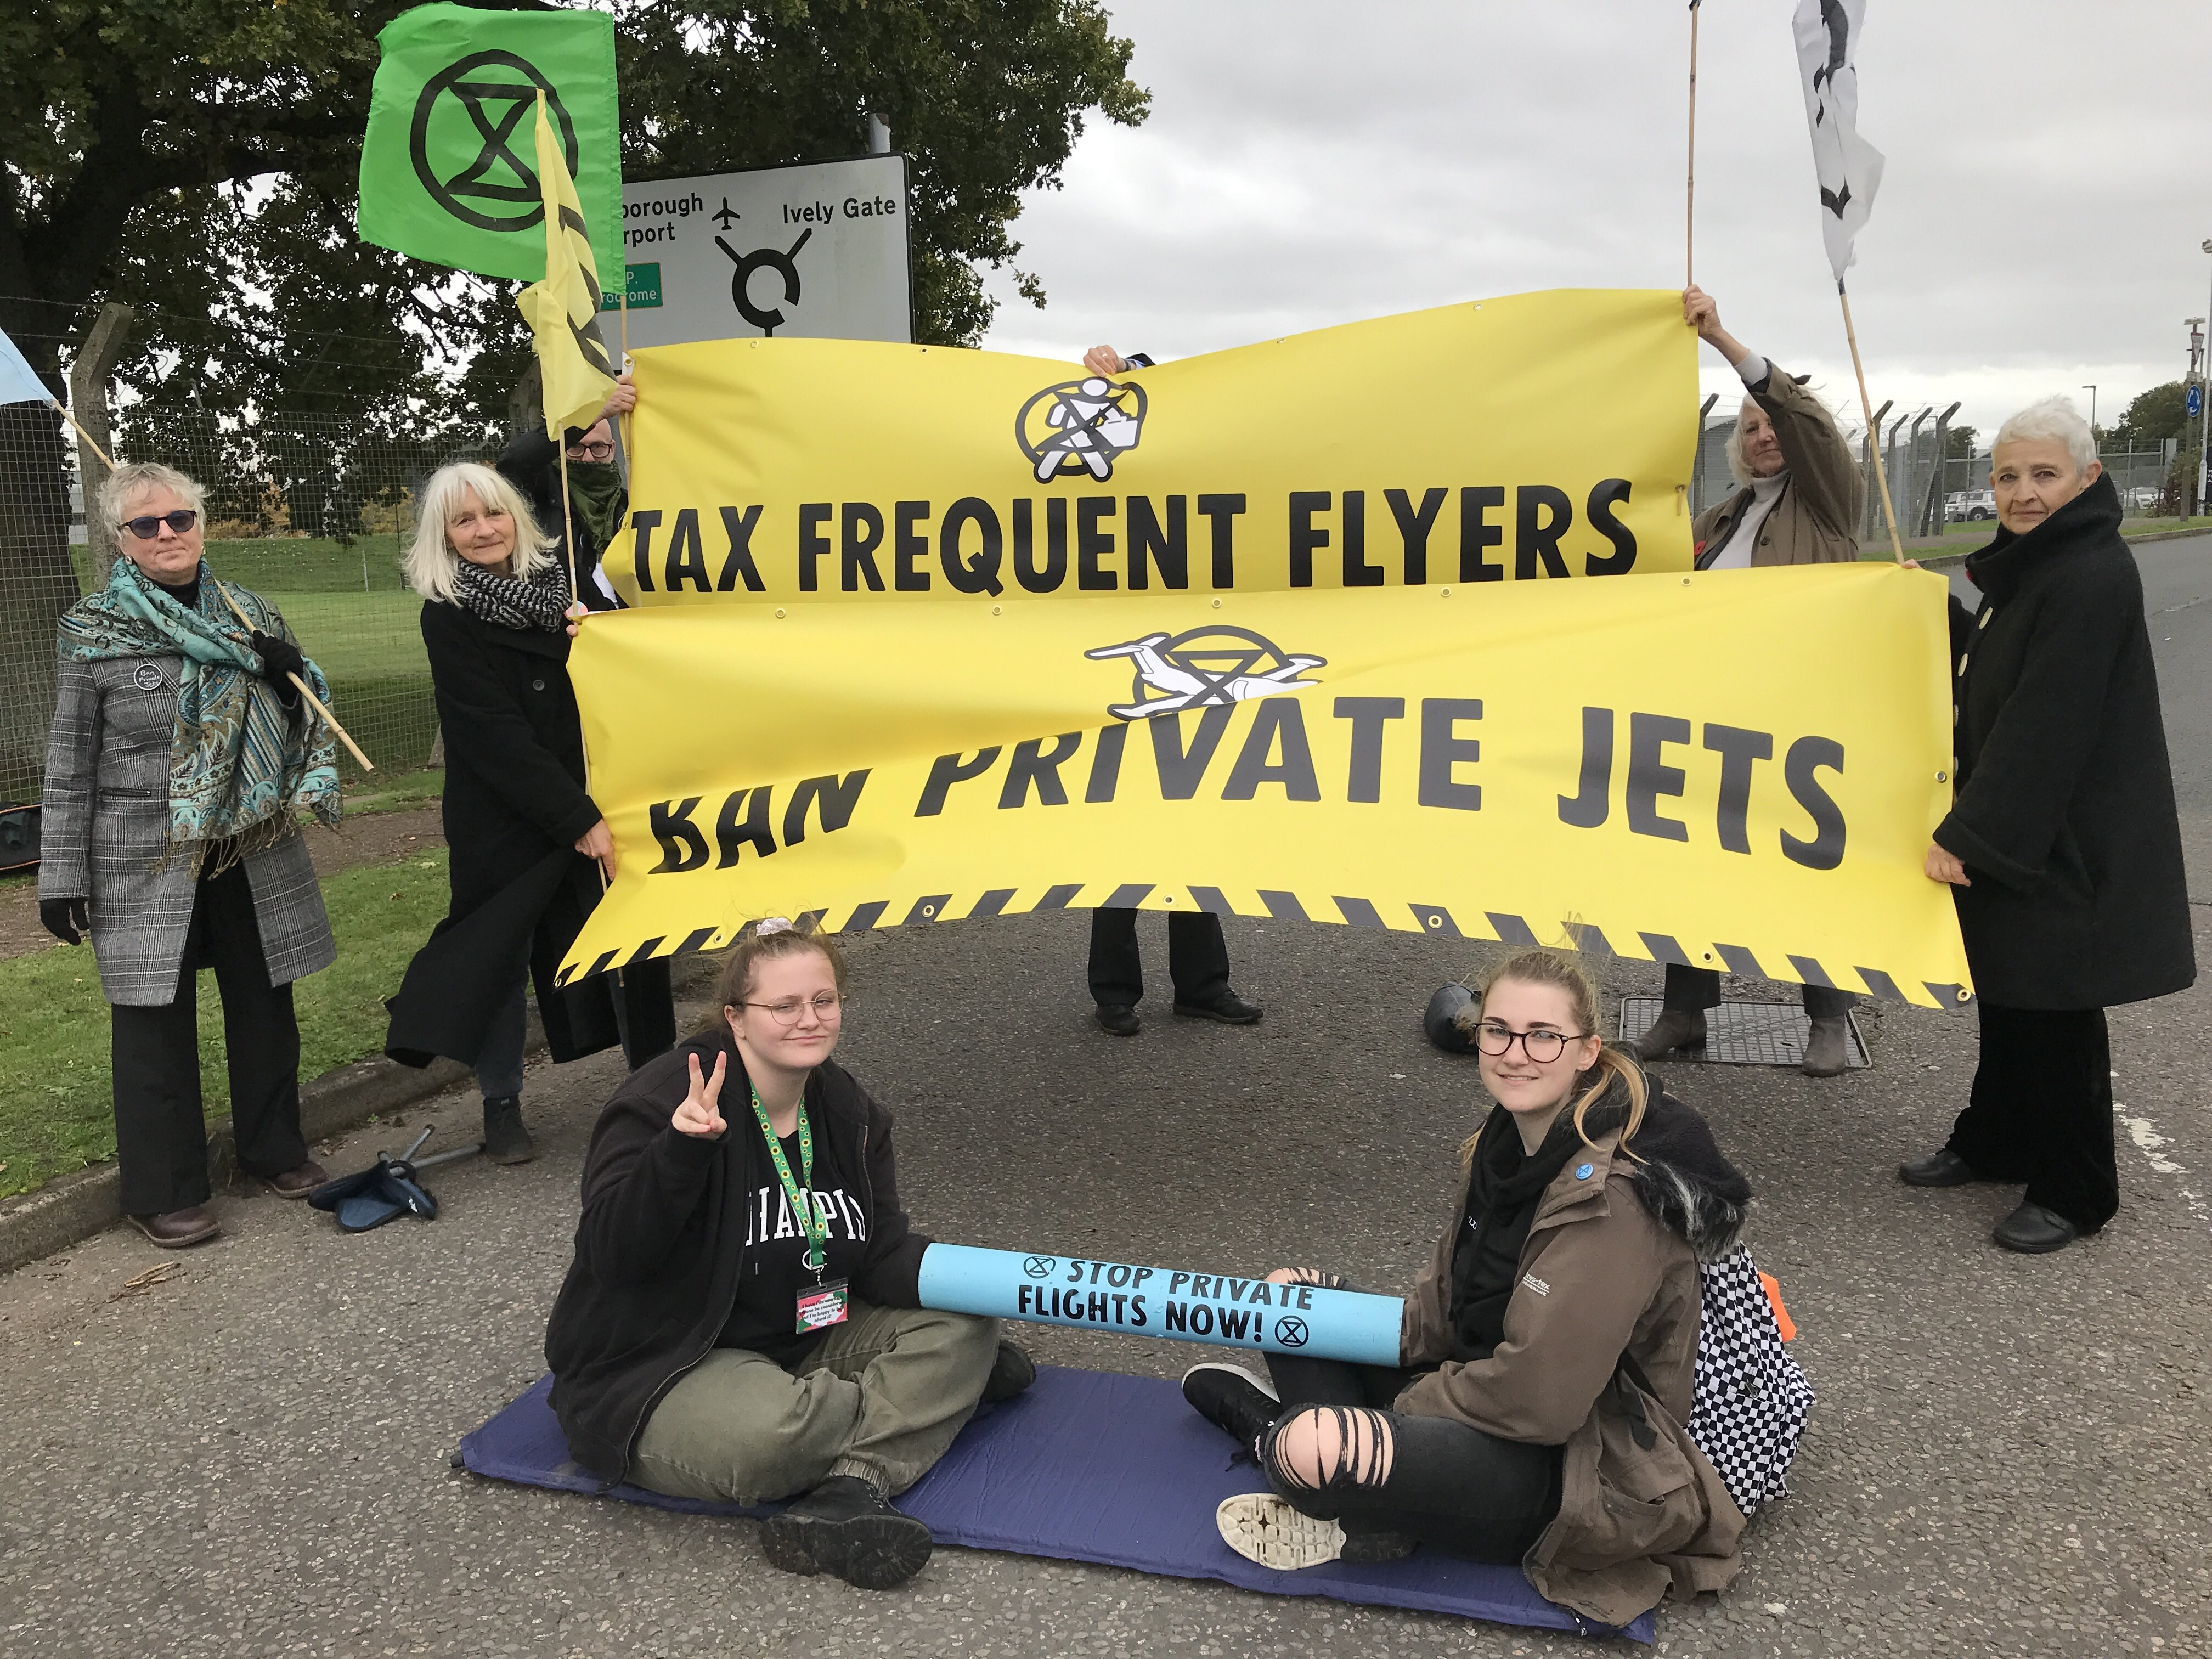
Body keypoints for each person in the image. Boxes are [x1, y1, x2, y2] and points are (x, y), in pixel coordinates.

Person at [1178, 950, 1747, 1629]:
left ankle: (1281, 1438)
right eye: (1497, 1030)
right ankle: (1364, 1493)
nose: (1515, 1054)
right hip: (1480, 1380)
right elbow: (1446, 1306)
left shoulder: (1615, 1201)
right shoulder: (1505, 1140)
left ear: (1588, 1051)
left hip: (1572, 1467)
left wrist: (1411, 1405)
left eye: (1544, 1036)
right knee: (1288, 1301)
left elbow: (1542, 1404)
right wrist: (1376, 1347)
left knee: (1315, 1445)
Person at [543, 920, 1034, 1590]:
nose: (811, 1020)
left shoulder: (845, 1107)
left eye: (824, 1001)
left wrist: (985, 1278)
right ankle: (917, 1405)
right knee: (775, 1437)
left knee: (966, 1322)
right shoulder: (664, 1102)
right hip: (664, 1361)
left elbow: (879, 1253)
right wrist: (680, 1154)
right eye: (785, 1006)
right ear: (736, 1018)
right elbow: (612, 1257)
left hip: (802, 1335)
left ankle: (848, 1491)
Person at [1901, 397, 2193, 1254]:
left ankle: (2077, 1188)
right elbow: (1991, 669)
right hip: (2038, 831)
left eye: (2043, 475)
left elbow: (2045, 725)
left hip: (2070, 840)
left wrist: (1970, 834)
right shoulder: (2038, 567)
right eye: (2007, 476)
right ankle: (1997, 1139)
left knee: (2058, 1010)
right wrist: (1928, 608)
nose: (2022, 493)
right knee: (2012, 991)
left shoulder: (2090, 575)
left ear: (2088, 478)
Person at [39, 461, 340, 1248]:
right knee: (151, 1023)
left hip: (250, 841)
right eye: (146, 525)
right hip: (142, 855)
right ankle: (163, 1189)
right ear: (121, 540)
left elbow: (301, 717)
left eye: (180, 519)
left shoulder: (249, 612)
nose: (166, 534)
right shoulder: (91, 629)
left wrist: (287, 677)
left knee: (263, 1004)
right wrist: (61, 873)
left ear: (201, 525)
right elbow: (70, 762)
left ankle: (273, 1150)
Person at [383, 461, 674, 1163]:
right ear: (444, 535)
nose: (483, 530)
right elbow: (492, 734)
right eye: (464, 520)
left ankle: (662, 1091)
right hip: (507, 815)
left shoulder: (568, 586)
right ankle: (501, 1102)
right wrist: (576, 820)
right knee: (499, 956)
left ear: (517, 515)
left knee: (634, 943)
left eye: (494, 513)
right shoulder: (447, 613)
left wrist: (599, 636)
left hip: (600, 788)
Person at [1629, 287, 1866, 1077]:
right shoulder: (1718, 521)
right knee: (1692, 862)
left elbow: (1798, 413)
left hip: (1801, 721)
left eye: (1775, 426)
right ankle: (1685, 1011)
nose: (1767, 436)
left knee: (1807, 867)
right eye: (1753, 429)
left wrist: (1722, 339)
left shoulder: (1828, 502)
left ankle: (1827, 1018)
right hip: (1714, 719)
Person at [1074, 343, 1265, 1039]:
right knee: (1119, 835)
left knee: (1192, 833)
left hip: (1191, 682)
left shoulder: (1201, 485)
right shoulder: (1101, 488)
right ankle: (1116, 993)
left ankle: (1202, 987)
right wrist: (1101, 384)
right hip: (1117, 683)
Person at [498, 375, 635, 612]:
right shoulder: (540, 496)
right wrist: (590, 416)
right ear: (561, 449)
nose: (588, 457)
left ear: (612, 450)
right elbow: (513, 464)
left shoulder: (631, 505)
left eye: (598, 447)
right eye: (575, 447)